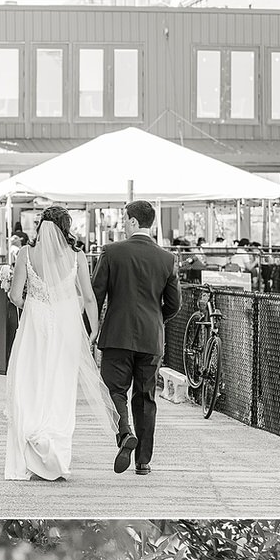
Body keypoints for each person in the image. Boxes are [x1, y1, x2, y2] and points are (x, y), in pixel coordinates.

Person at [5, 204, 118, 480]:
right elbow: (89, 297)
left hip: (35, 323)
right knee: (60, 386)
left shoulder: (25, 253)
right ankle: (56, 455)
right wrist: (93, 329)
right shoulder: (76, 255)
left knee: (31, 382)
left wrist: (28, 296)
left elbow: (15, 296)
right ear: (66, 228)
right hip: (66, 325)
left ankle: (31, 443)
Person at [91, 200, 182, 476]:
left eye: (123, 219)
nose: (122, 224)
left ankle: (124, 431)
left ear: (132, 222)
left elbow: (96, 295)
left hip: (117, 334)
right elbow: (174, 303)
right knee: (145, 397)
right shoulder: (167, 259)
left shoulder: (111, 252)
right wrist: (156, 319)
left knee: (113, 390)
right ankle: (143, 461)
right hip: (151, 338)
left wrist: (91, 329)